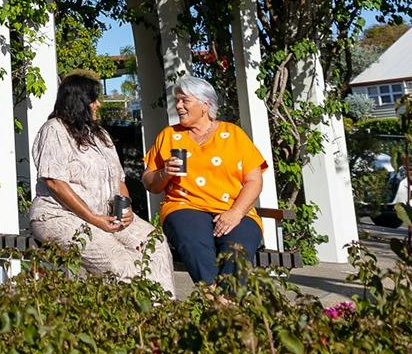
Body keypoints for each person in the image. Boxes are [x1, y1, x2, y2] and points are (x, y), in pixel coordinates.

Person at [29, 73, 175, 293]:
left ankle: (164, 310)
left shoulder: (100, 135)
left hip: (106, 215)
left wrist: (126, 208)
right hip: (59, 216)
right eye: (93, 99)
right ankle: (132, 312)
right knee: (120, 261)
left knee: (156, 245)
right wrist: (93, 219)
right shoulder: (54, 130)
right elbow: (54, 182)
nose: (98, 104)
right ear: (79, 102)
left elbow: (119, 178)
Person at [141, 74, 268, 285]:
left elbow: (254, 180)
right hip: (185, 206)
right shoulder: (169, 135)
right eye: (177, 100)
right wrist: (165, 173)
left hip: (234, 208)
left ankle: (223, 299)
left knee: (238, 248)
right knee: (194, 243)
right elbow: (149, 182)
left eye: (184, 100)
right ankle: (214, 295)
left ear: (205, 105)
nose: (178, 106)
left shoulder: (234, 134)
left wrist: (236, 212)